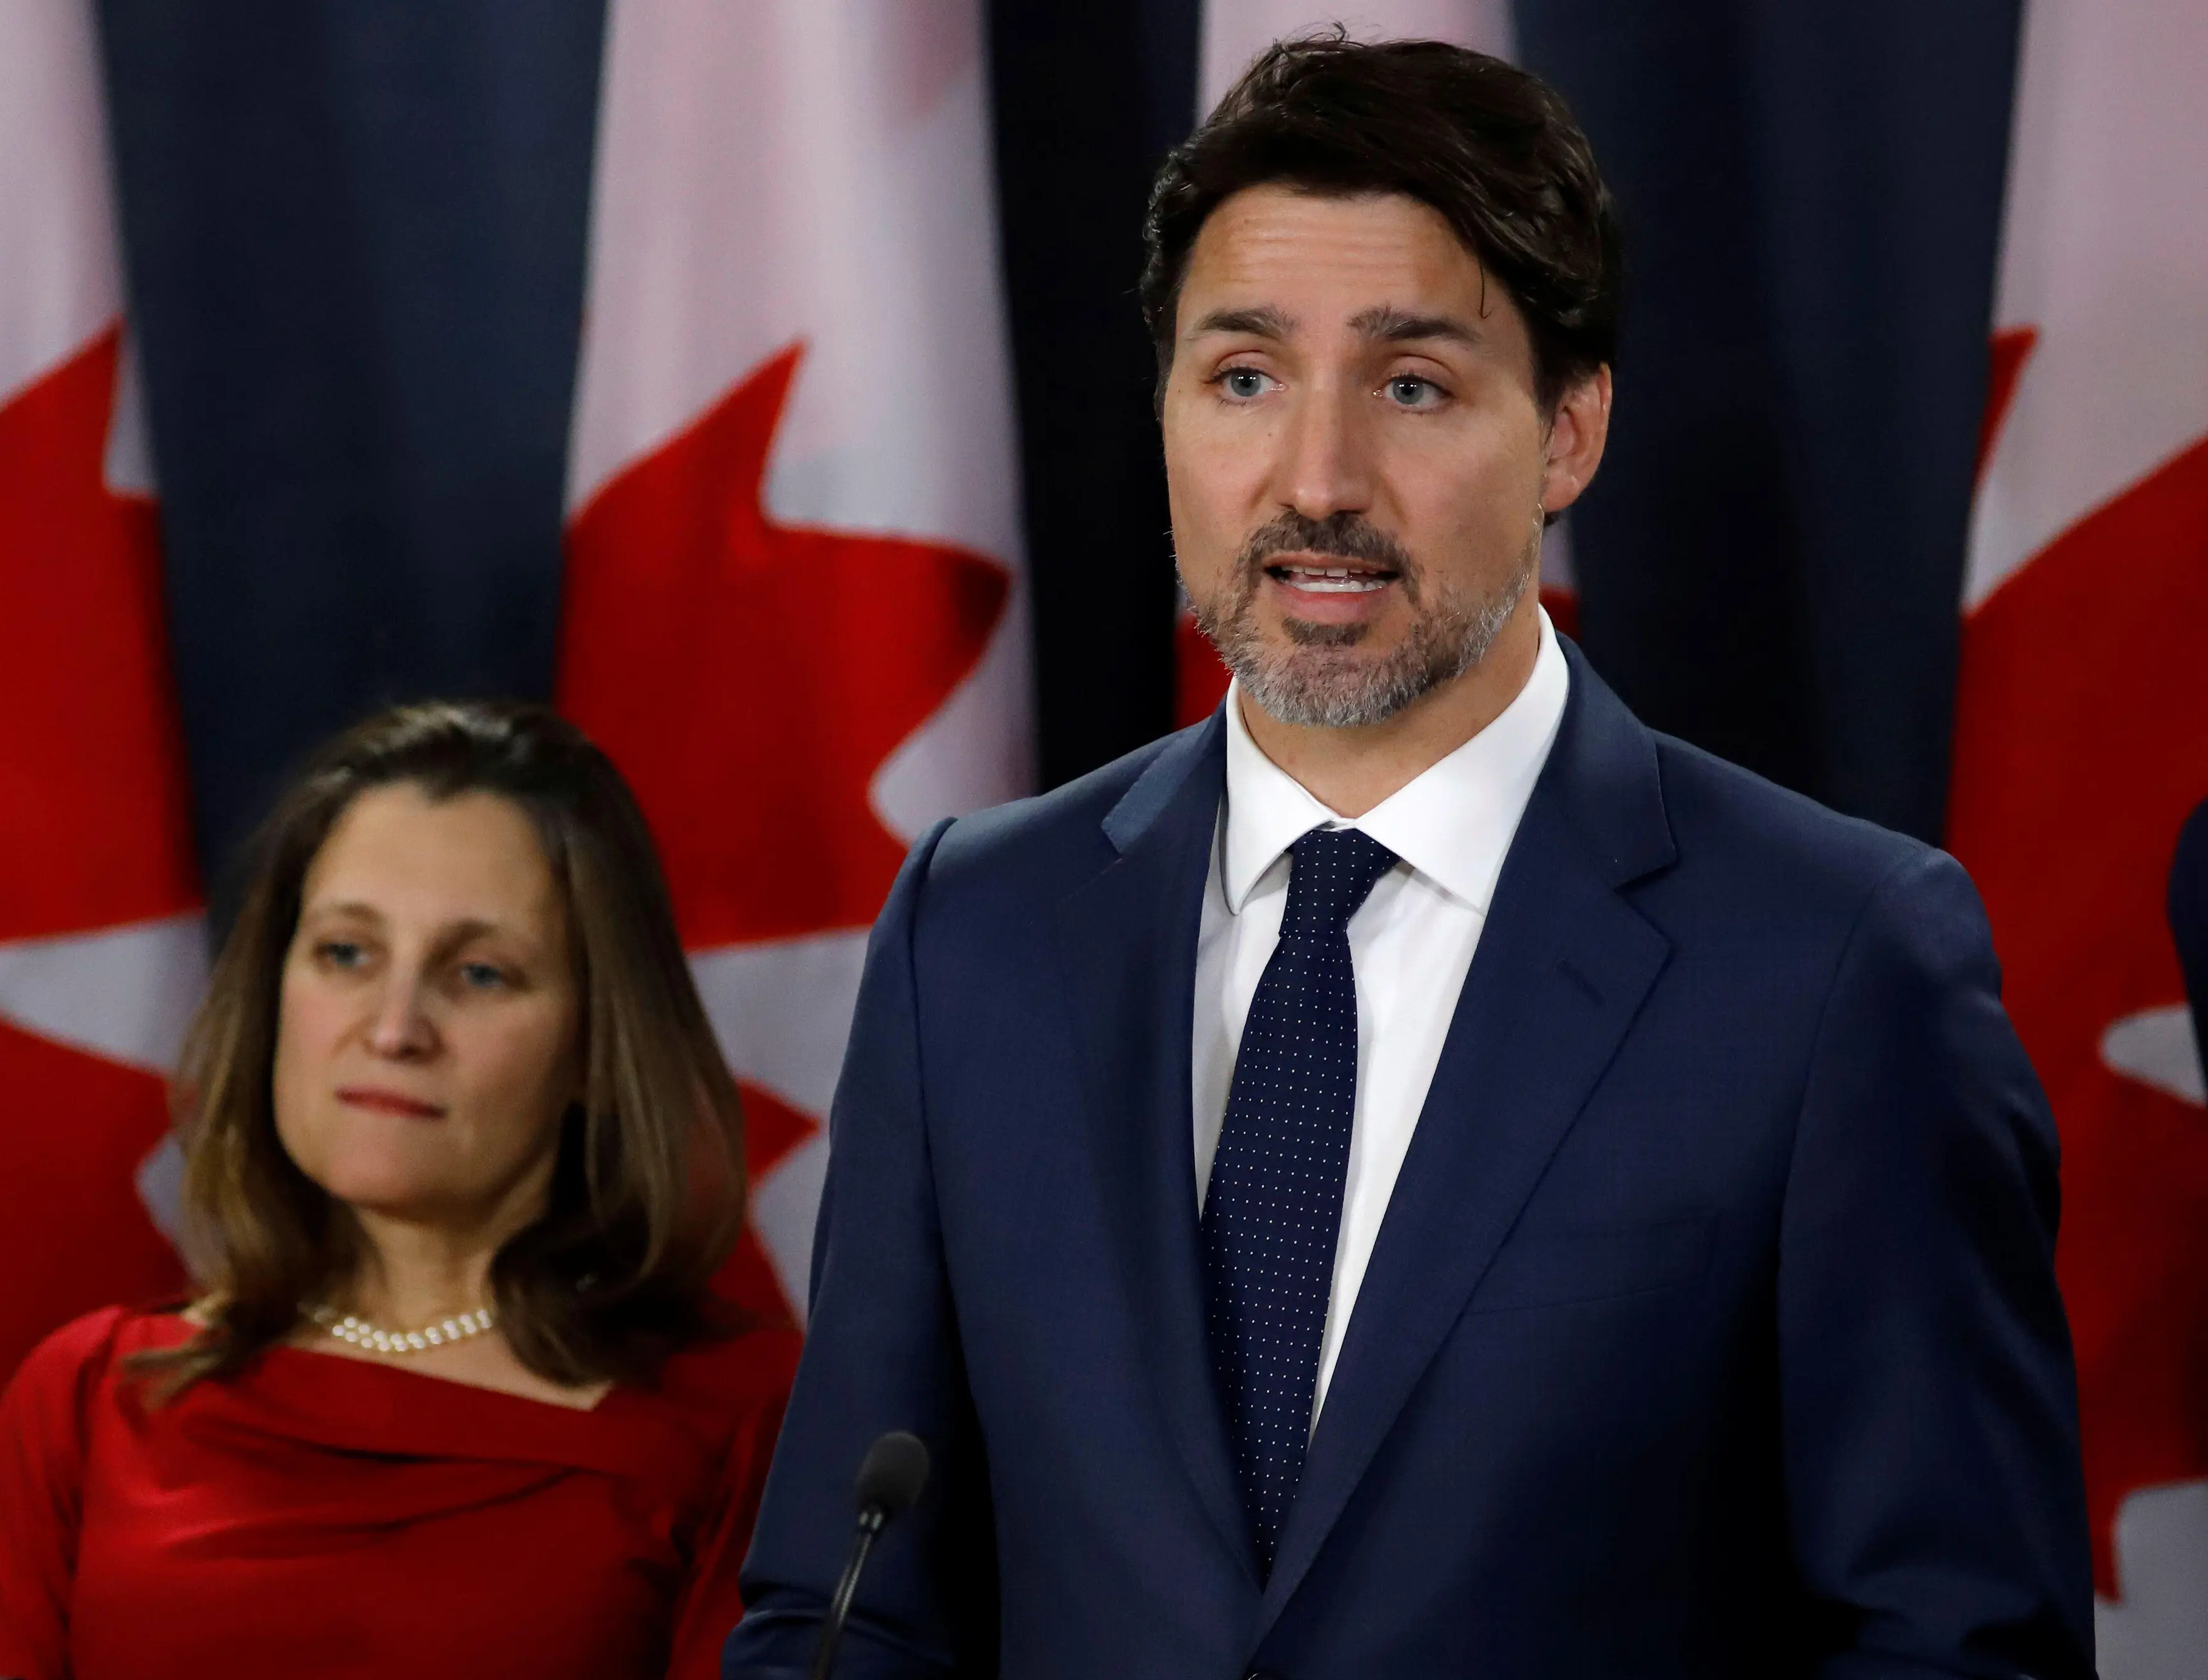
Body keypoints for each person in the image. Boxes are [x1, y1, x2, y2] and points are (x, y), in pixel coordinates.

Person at [729, 34, 2091, 1679]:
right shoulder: (980, 925)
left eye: (1414, 383)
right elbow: (848, 1600)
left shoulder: (1835, 960)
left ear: (1570, 430)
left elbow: (1960, 1640)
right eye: (1244, 377)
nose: (1315, 479)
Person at [0, 701, 797, 1680]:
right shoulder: (91, 1396)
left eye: (479, 973)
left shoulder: (751, 1416)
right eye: (346, 953)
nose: (394, 1028)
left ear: (595, 1050)